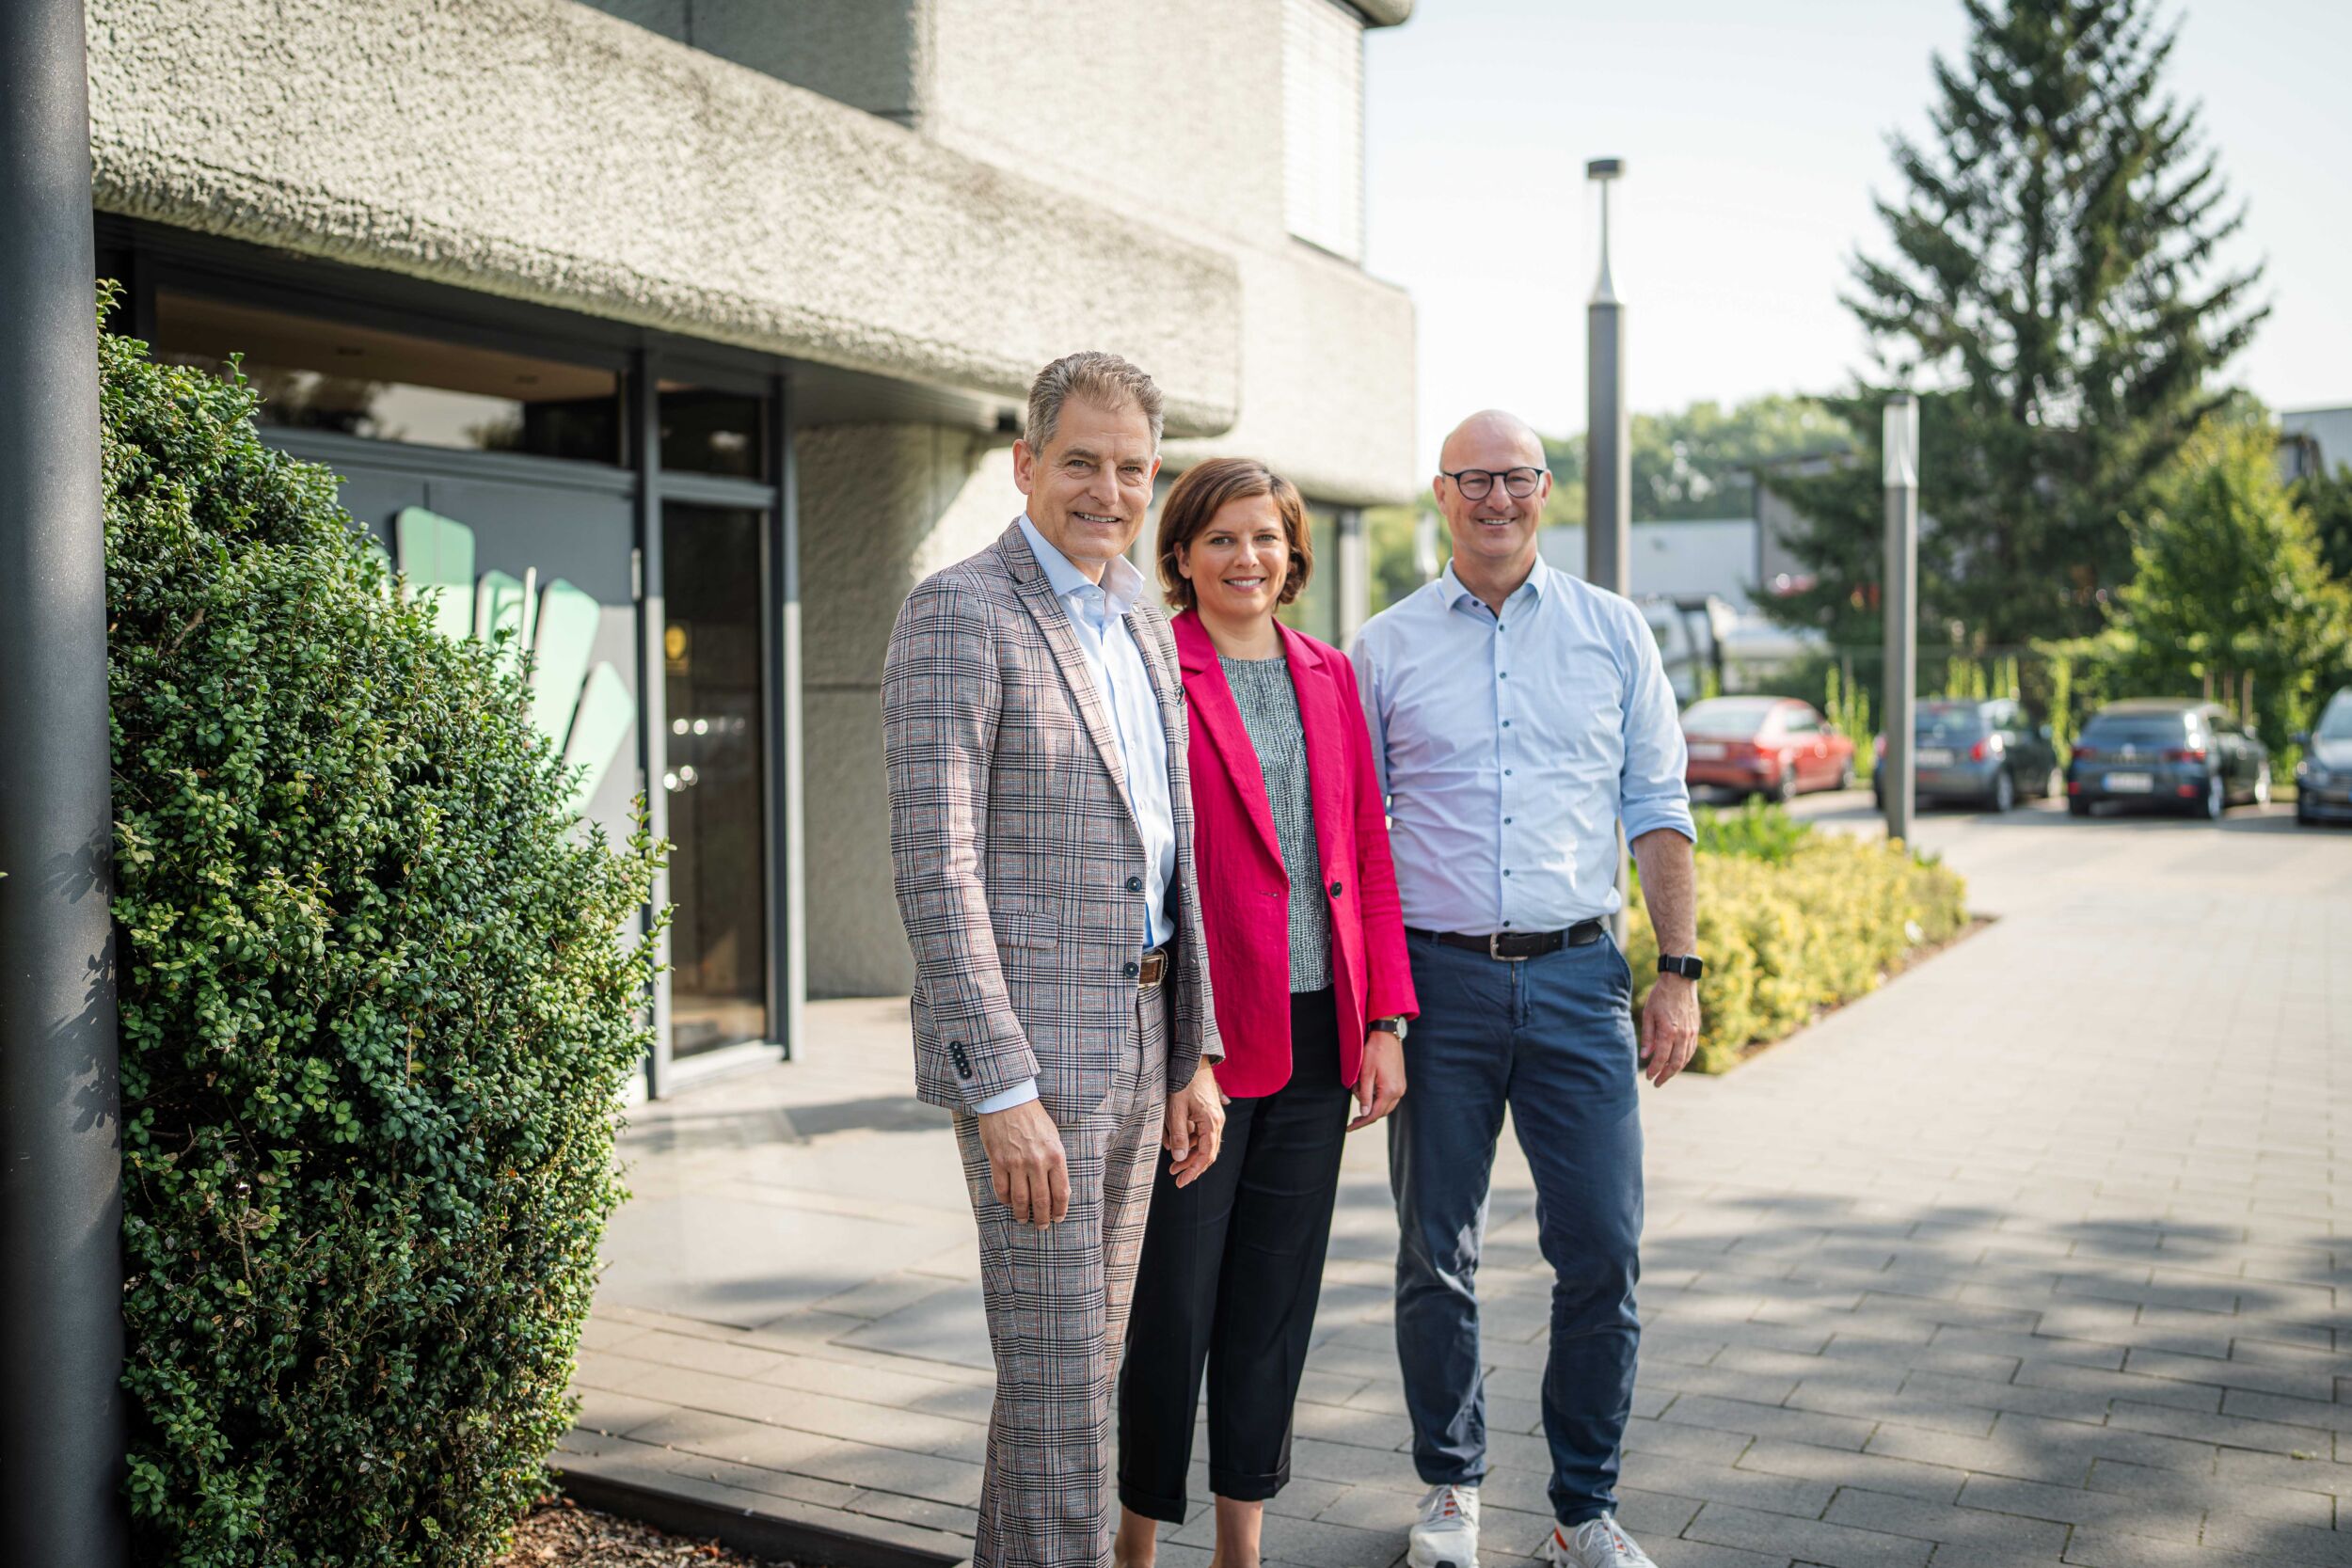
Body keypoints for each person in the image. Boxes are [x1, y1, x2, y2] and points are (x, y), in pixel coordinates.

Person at [882, 351, 1227, 1568]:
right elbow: (937, 862)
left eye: (1132, 466)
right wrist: (1000, 1085)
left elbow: (1168, 845)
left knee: (1062, 1391)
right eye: (1080, 460)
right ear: (1026, 463)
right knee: (1068, 1410)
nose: (1108, 488)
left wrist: (1196, 1051)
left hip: (1145, 1044)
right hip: (1037, 1066)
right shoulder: (958, 609)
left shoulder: (1138, 609)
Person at [1352, 411, 1703, 1568]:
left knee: (1602, 1248)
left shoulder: (1612, 631)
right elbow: (1359, 834)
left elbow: (1658, 808)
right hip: (1438, 983)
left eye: (1514, 478)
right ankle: (1449, 1489)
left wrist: (1677, 972)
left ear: (1544, 489)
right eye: (1471, 480)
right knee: (1434, 1251)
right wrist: (1379, 1011)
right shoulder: (1386, 646)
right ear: (1441, 494)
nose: (1494, 498)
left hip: (1578, 980)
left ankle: (1582, 1511)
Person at [1113, 459, 1419, 1568]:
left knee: (1271, 1309)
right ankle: (1134, 1541)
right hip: (1202, 1038)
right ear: (1182, 555)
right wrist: (1174, 1044)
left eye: (1266, 538)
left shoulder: (1331, 674)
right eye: (1221, 539)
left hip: (1319, 1036)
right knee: (1172, 1309)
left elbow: (1365, 848)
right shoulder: (1151, 665)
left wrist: (1385, 1015)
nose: (1247, 558)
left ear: (1292, 553)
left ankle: (1242, 1546)